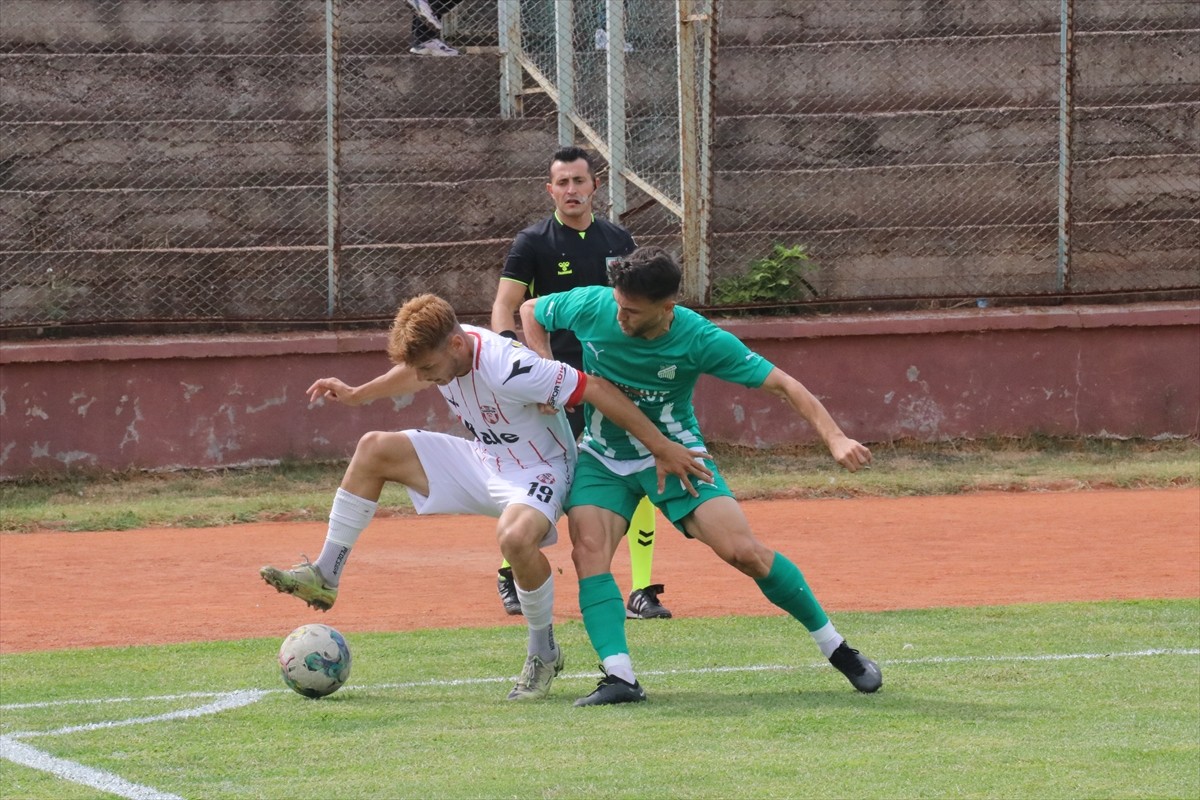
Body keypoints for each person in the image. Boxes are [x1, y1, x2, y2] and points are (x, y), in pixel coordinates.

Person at [260, 293, 709, 702]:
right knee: (374, 447)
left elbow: (594, 388)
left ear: (456, 346)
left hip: (541, 468)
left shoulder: (510, 366)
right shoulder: (443, 354)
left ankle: (543, 652)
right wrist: (359, 395)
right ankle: (326, 573)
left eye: (430, 370)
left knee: (514, 539)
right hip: (484, 459)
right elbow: (413, 375)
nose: (425, 380)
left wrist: (659, 446)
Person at [520, 246, 884, 706]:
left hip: (677, 457)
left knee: (744, 552)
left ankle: (839, 650)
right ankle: (620, 677)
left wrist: (835, 438)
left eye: (632, 312)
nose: (620, 317)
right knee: (589, 553)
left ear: (667, 307)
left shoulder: (699, 338)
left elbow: (785, 385)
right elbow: (530, 309)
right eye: (618, 304)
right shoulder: (595, 304)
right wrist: (547, 368)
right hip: (603, 457)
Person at [491, 145, 672, 621]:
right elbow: (504, 305)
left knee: (637, 465)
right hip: (552, 381)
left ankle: (642, 589)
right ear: (550, 190)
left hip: (610, 379)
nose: (572, 190)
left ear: (595, 186)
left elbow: (639, 303)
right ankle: (512, 568)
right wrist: (522, 367)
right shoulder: (533, 242)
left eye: (579, 181)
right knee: (544, 474)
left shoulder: (618, 239)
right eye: (562, 183)